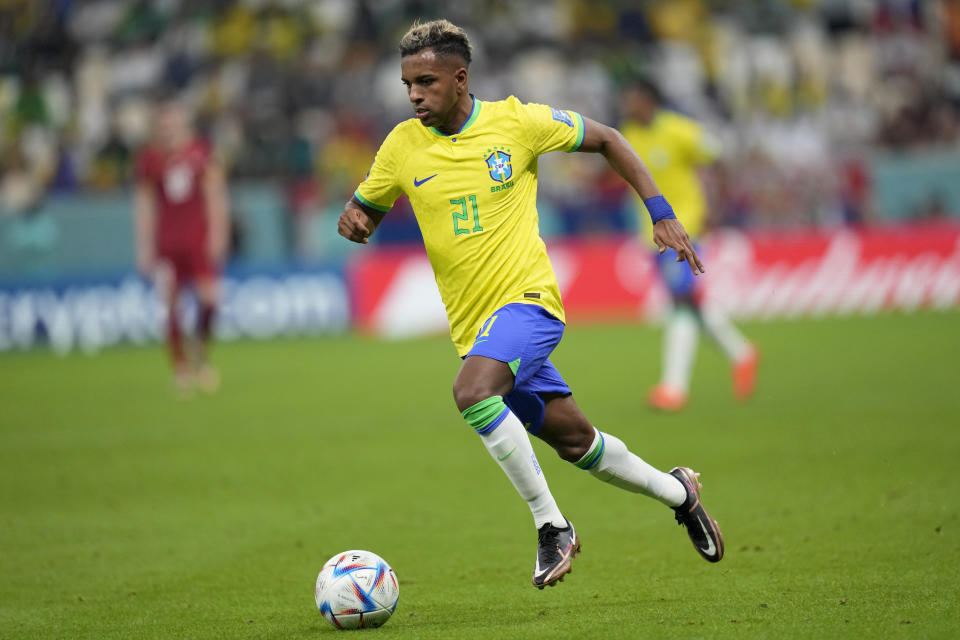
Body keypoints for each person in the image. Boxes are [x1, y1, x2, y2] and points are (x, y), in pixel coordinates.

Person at [338, 19, 724, 589]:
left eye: (426, 81)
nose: (415, 94)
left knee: (471, 393)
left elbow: (610, 139)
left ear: (460, 78)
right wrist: (356, 220)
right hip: (477, 329)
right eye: (407, 84)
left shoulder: (517, 123)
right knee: (579, 444)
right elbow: (365, 208)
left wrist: (661, 212)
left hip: (529, 305)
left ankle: (553, 526)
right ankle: (680, 493)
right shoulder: (400, 145)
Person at [620, 80, 758, 411]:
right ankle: (742, 353)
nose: (628, 105)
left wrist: (718, 207)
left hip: (685, 228)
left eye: (633, 99)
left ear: (649, 101)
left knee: (681, 304)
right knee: (690, 303)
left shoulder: (679, 130)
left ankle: (673, 388)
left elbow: (718, 158)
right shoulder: (629, 134)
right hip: (651, 234)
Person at [134, 99, 230, 396]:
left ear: (183, 124)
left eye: (173, 123)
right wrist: (144, 246)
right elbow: (145, 205)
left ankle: (200, 353)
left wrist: (219, 234)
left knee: (210, 299)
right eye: (164, 125)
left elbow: (216, 195)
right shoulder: (151, 160)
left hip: (197, 241)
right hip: (168, 243)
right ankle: (181, 367)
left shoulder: (201, 153)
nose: (169, 130)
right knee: (171, 305)